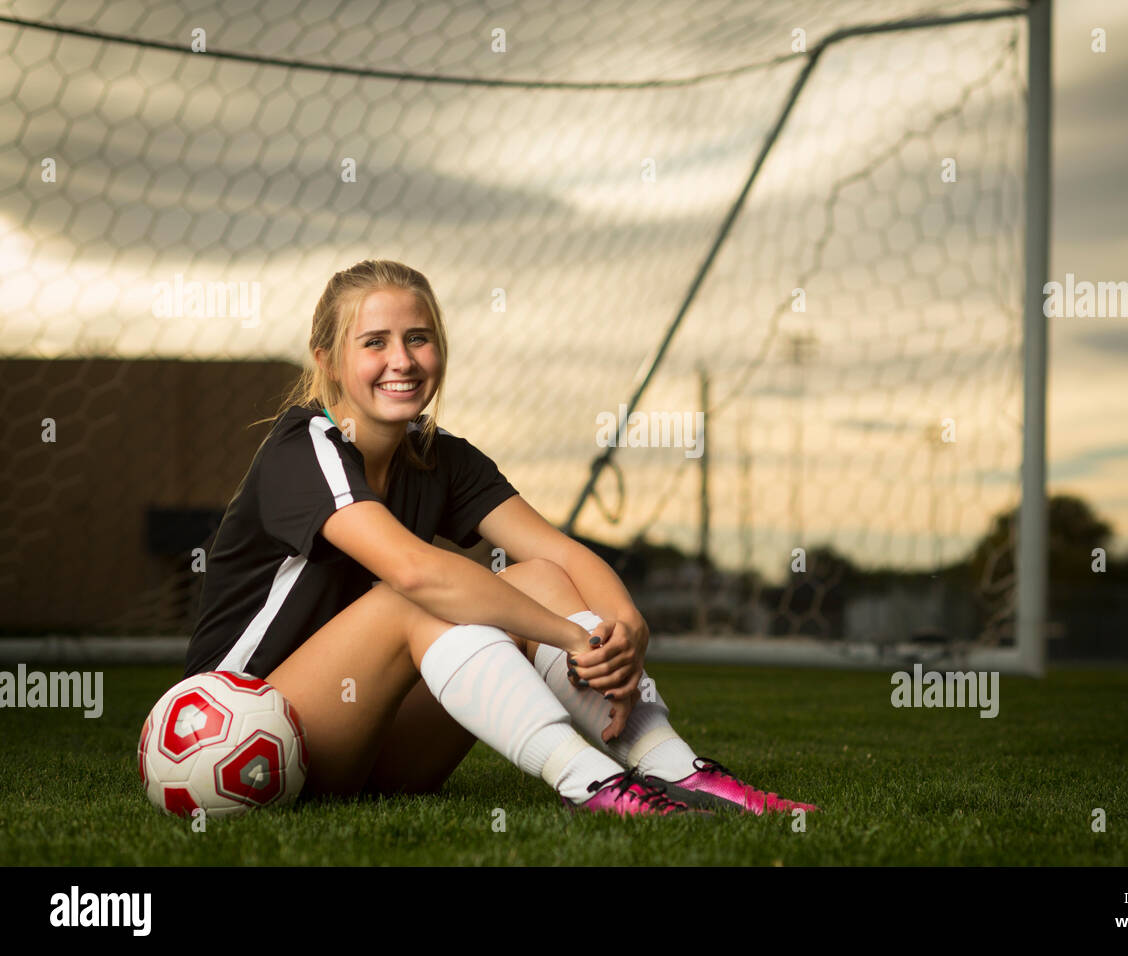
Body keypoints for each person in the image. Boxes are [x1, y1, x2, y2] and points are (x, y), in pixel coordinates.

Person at [184, 258, 817, 817]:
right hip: (242, 733)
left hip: (369, 744)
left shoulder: (441, 458)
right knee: (419, 597)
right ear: (328, 361)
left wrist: (624, 631)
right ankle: (590, 782)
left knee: (538, 577)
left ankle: (677, 769)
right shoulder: (304, 448)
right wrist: (571, 636)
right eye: (374, 342)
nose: (401, 360)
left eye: (419, 339)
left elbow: (557, 553)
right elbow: (415, 573)